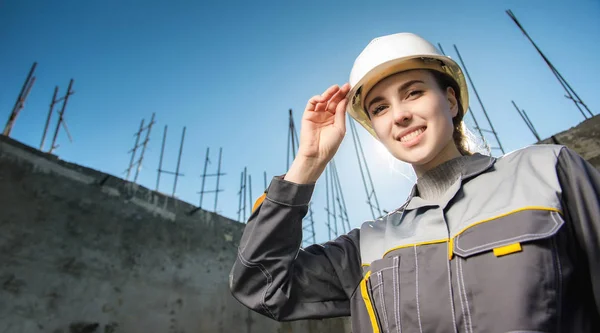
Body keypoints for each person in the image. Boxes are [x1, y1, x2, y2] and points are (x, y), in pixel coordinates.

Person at [229, 32, 600, 333]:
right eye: (380, 108)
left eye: (414, 92)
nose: (401, 115)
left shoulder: (548, 172)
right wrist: (307, 163)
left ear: (450, 101)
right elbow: (262, 286)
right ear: (376, 129)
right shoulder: (368, 245)